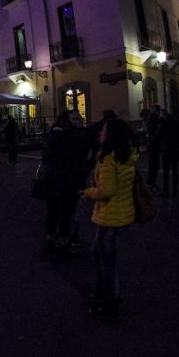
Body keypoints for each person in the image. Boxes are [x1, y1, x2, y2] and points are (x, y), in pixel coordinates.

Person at [83, 118, 139, 320]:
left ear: (111, 134)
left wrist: (88, 192)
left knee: (107, 262)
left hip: (110, 216)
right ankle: (102, 291)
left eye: (104, 131)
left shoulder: (108, 158)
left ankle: (110, 303)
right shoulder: (127, 154)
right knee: (98, 252)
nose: (100, 134)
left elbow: (107, 190)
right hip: (123, 213)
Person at [40, 110, 90, 254]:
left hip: (52, 181)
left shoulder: (53, 134)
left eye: (80, 118)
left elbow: (45, 158)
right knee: (65, 213)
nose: (79, 121)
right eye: (75, 119)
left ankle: (50, 241)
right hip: (66, 181)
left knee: (53, 212)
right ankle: (64, 244)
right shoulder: (68, 137)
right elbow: (74, 161)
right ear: (66, 121)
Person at [157, 109, 179, 196]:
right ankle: (175, 189)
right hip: (175, 148)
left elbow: (158, 136)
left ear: (163, 115)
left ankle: (166, 190)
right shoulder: (175, 122)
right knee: (175, 169)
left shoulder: (162, 124)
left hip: (166, 149)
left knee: (166, 170)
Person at [145, 105, 163, 193]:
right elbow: (155, 134)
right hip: (154, 146)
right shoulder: (155, 120)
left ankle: (150, 183)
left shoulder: (150, 119)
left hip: (152, 146)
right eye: (159, 111)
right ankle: (150, 183)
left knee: (152, 165)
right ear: (157, 111)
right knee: (154, 165)